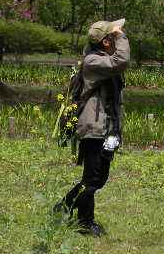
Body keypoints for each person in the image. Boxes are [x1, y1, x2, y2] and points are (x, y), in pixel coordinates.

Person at [55, 19, 129, 236]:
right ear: (107, 42)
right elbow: (121, 61)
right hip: (94, 127)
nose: (120, 35)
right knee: (92, 178)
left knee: (99, 177)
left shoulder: (102, 58)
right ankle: (85, 222)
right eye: (115, 35)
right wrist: (121, 37)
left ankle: (65, 207)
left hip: (105, 127)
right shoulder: (93, 62)